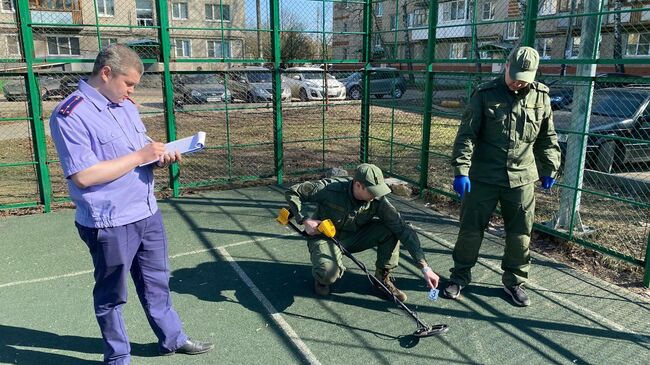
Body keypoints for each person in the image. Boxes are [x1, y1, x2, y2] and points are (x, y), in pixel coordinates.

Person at [49, 44, 213, 364]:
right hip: (109, 221)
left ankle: (172, 338)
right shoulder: (70, 113)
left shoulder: (124, 105)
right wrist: (140, 156)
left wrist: (157, 158)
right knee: (111, 296)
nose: (131, 91)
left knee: (157, 282)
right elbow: (83, 176)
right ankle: (118, 357)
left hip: (146, 210)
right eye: (129, 84)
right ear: (106, 73)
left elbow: (139, 155)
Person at [443, 46, 562, 307]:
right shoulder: (485, 94)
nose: (518, 82)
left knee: (520, 234)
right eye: (515, 75)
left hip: (522, 178)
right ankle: (460, 277)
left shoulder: (541, 97)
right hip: (484, 177)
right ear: (506, 66)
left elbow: (546, 137)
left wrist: (550, 166)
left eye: (524, 77)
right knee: (470, 231)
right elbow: (467, 136)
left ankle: (514, 281)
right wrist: (461, 171)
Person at [285, 163, 440, 302]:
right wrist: (305, 219)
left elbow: (403, 229)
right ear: (358, 185)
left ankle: (382, 279)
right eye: (372, 191)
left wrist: (425, 268)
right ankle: (322, 280)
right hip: (325, 237)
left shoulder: (377, 200)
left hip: (355, 236)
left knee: (391, 229)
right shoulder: (329, 189)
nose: (375, 195)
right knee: (328, 274)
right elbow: (293, 192)